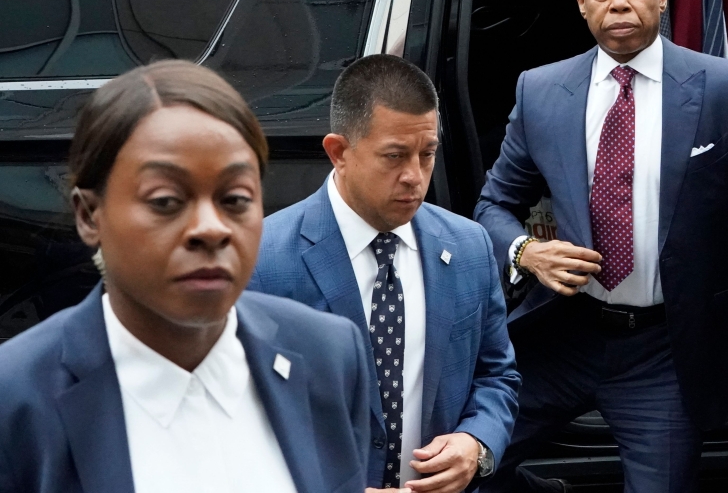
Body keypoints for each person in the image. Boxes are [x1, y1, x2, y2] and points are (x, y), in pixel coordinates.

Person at [474, 0, 728, 492]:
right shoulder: (542, 92)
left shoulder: (722, 86)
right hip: (562, 335)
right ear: (581, 2)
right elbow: (494, 203)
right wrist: (526, 252)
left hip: (666, 349)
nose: (619, 3)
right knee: (461, 462)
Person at [0, 61, 371, 493]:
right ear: (89, 215)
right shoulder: (19, 399)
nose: (210, 228)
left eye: (235, 198)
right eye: (165, 200)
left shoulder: (329, 354)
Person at [249, 54, 519, 493]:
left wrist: (476, 443)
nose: (415, 176)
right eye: (394, 156)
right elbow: (238, 416)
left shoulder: (468, 246)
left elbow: (497, 376)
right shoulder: (264, 260)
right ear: (338, 152)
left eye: (427, 154)